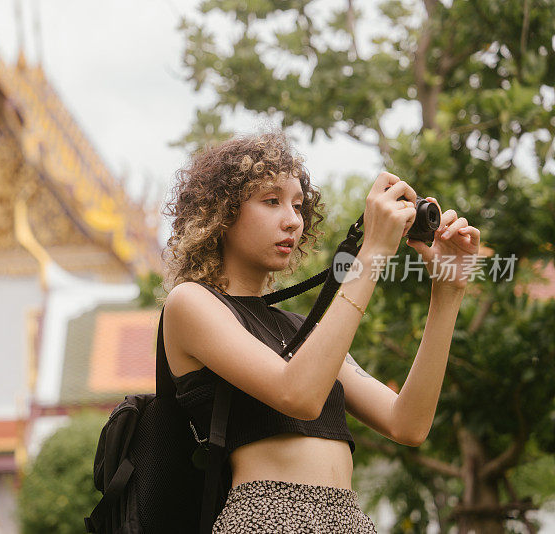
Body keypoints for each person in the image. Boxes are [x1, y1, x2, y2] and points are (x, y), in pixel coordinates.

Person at [160, 130, 480, 532]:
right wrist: (373, 254)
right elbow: (298, 394)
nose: (293, 219)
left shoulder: (298, 328)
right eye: (271, 201)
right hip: (267, 518)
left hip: (348, 518)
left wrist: (447, 292)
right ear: (220, 215)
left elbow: (407, 424)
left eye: (298, 205)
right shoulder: (190, 303)